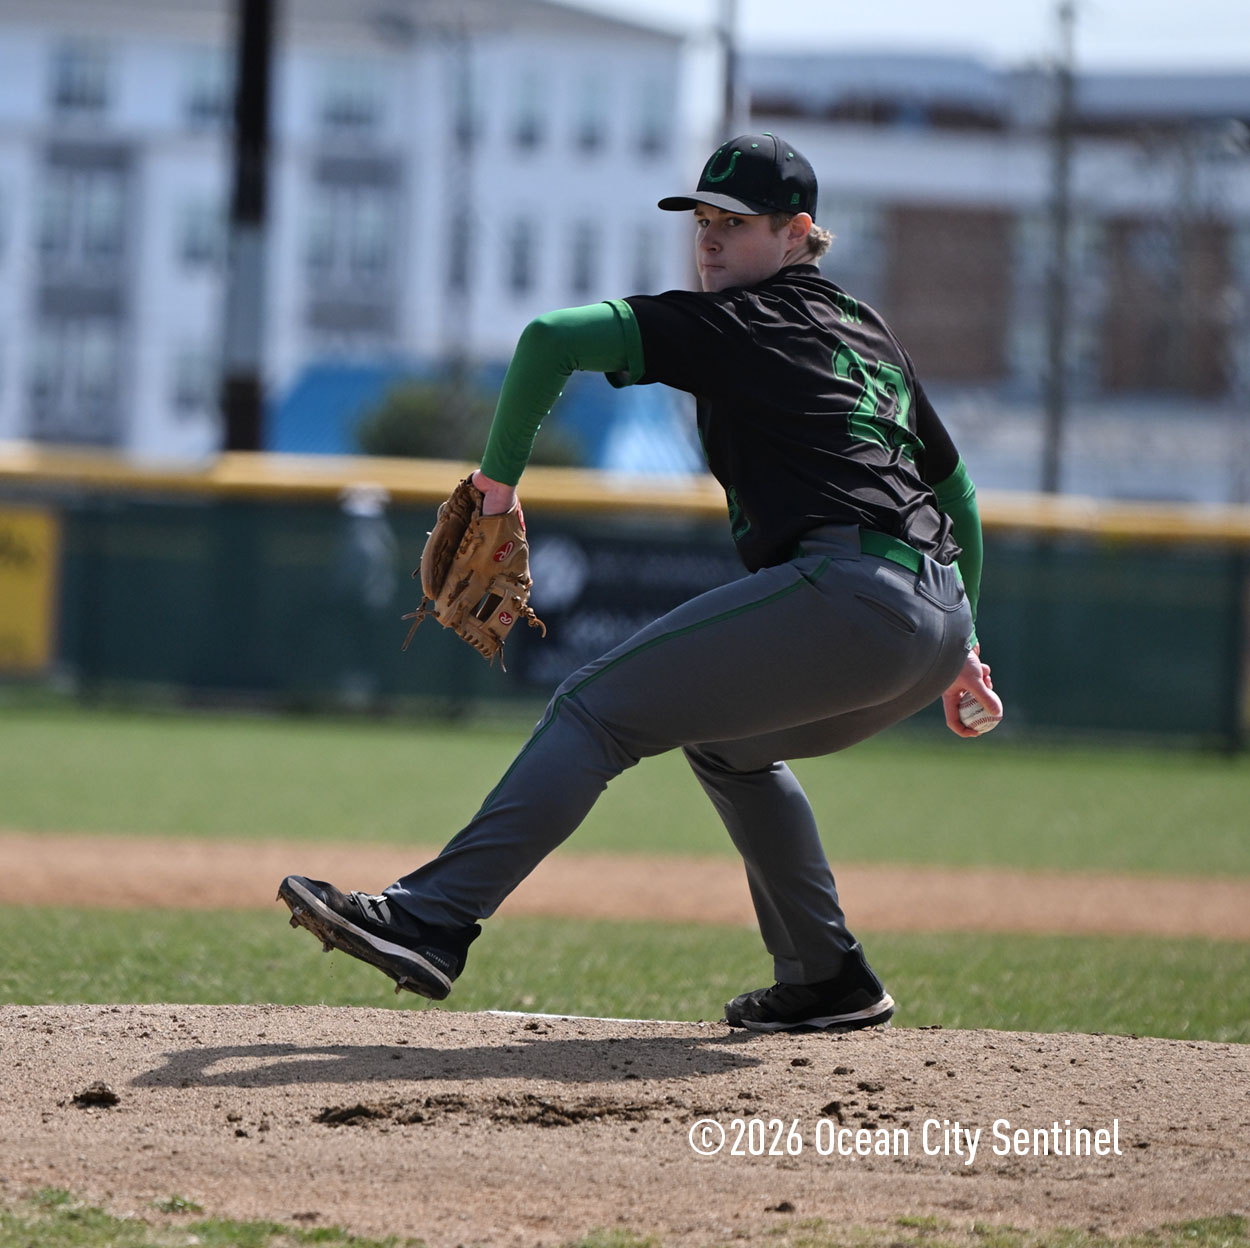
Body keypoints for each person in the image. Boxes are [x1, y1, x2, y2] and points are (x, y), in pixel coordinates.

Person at [280, 132, 1001, 1033]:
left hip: (857, 595)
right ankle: (827, 977)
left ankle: (432, 918)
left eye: (735, 224)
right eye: (702, 221)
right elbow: (955, 493)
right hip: (933, 614)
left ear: (796, 232)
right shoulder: (867, 330)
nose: (710, 240)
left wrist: (495, 486)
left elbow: (548, 339)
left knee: (594, 708)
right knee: (729, 747)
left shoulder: (744, 322)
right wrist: (965, 647)